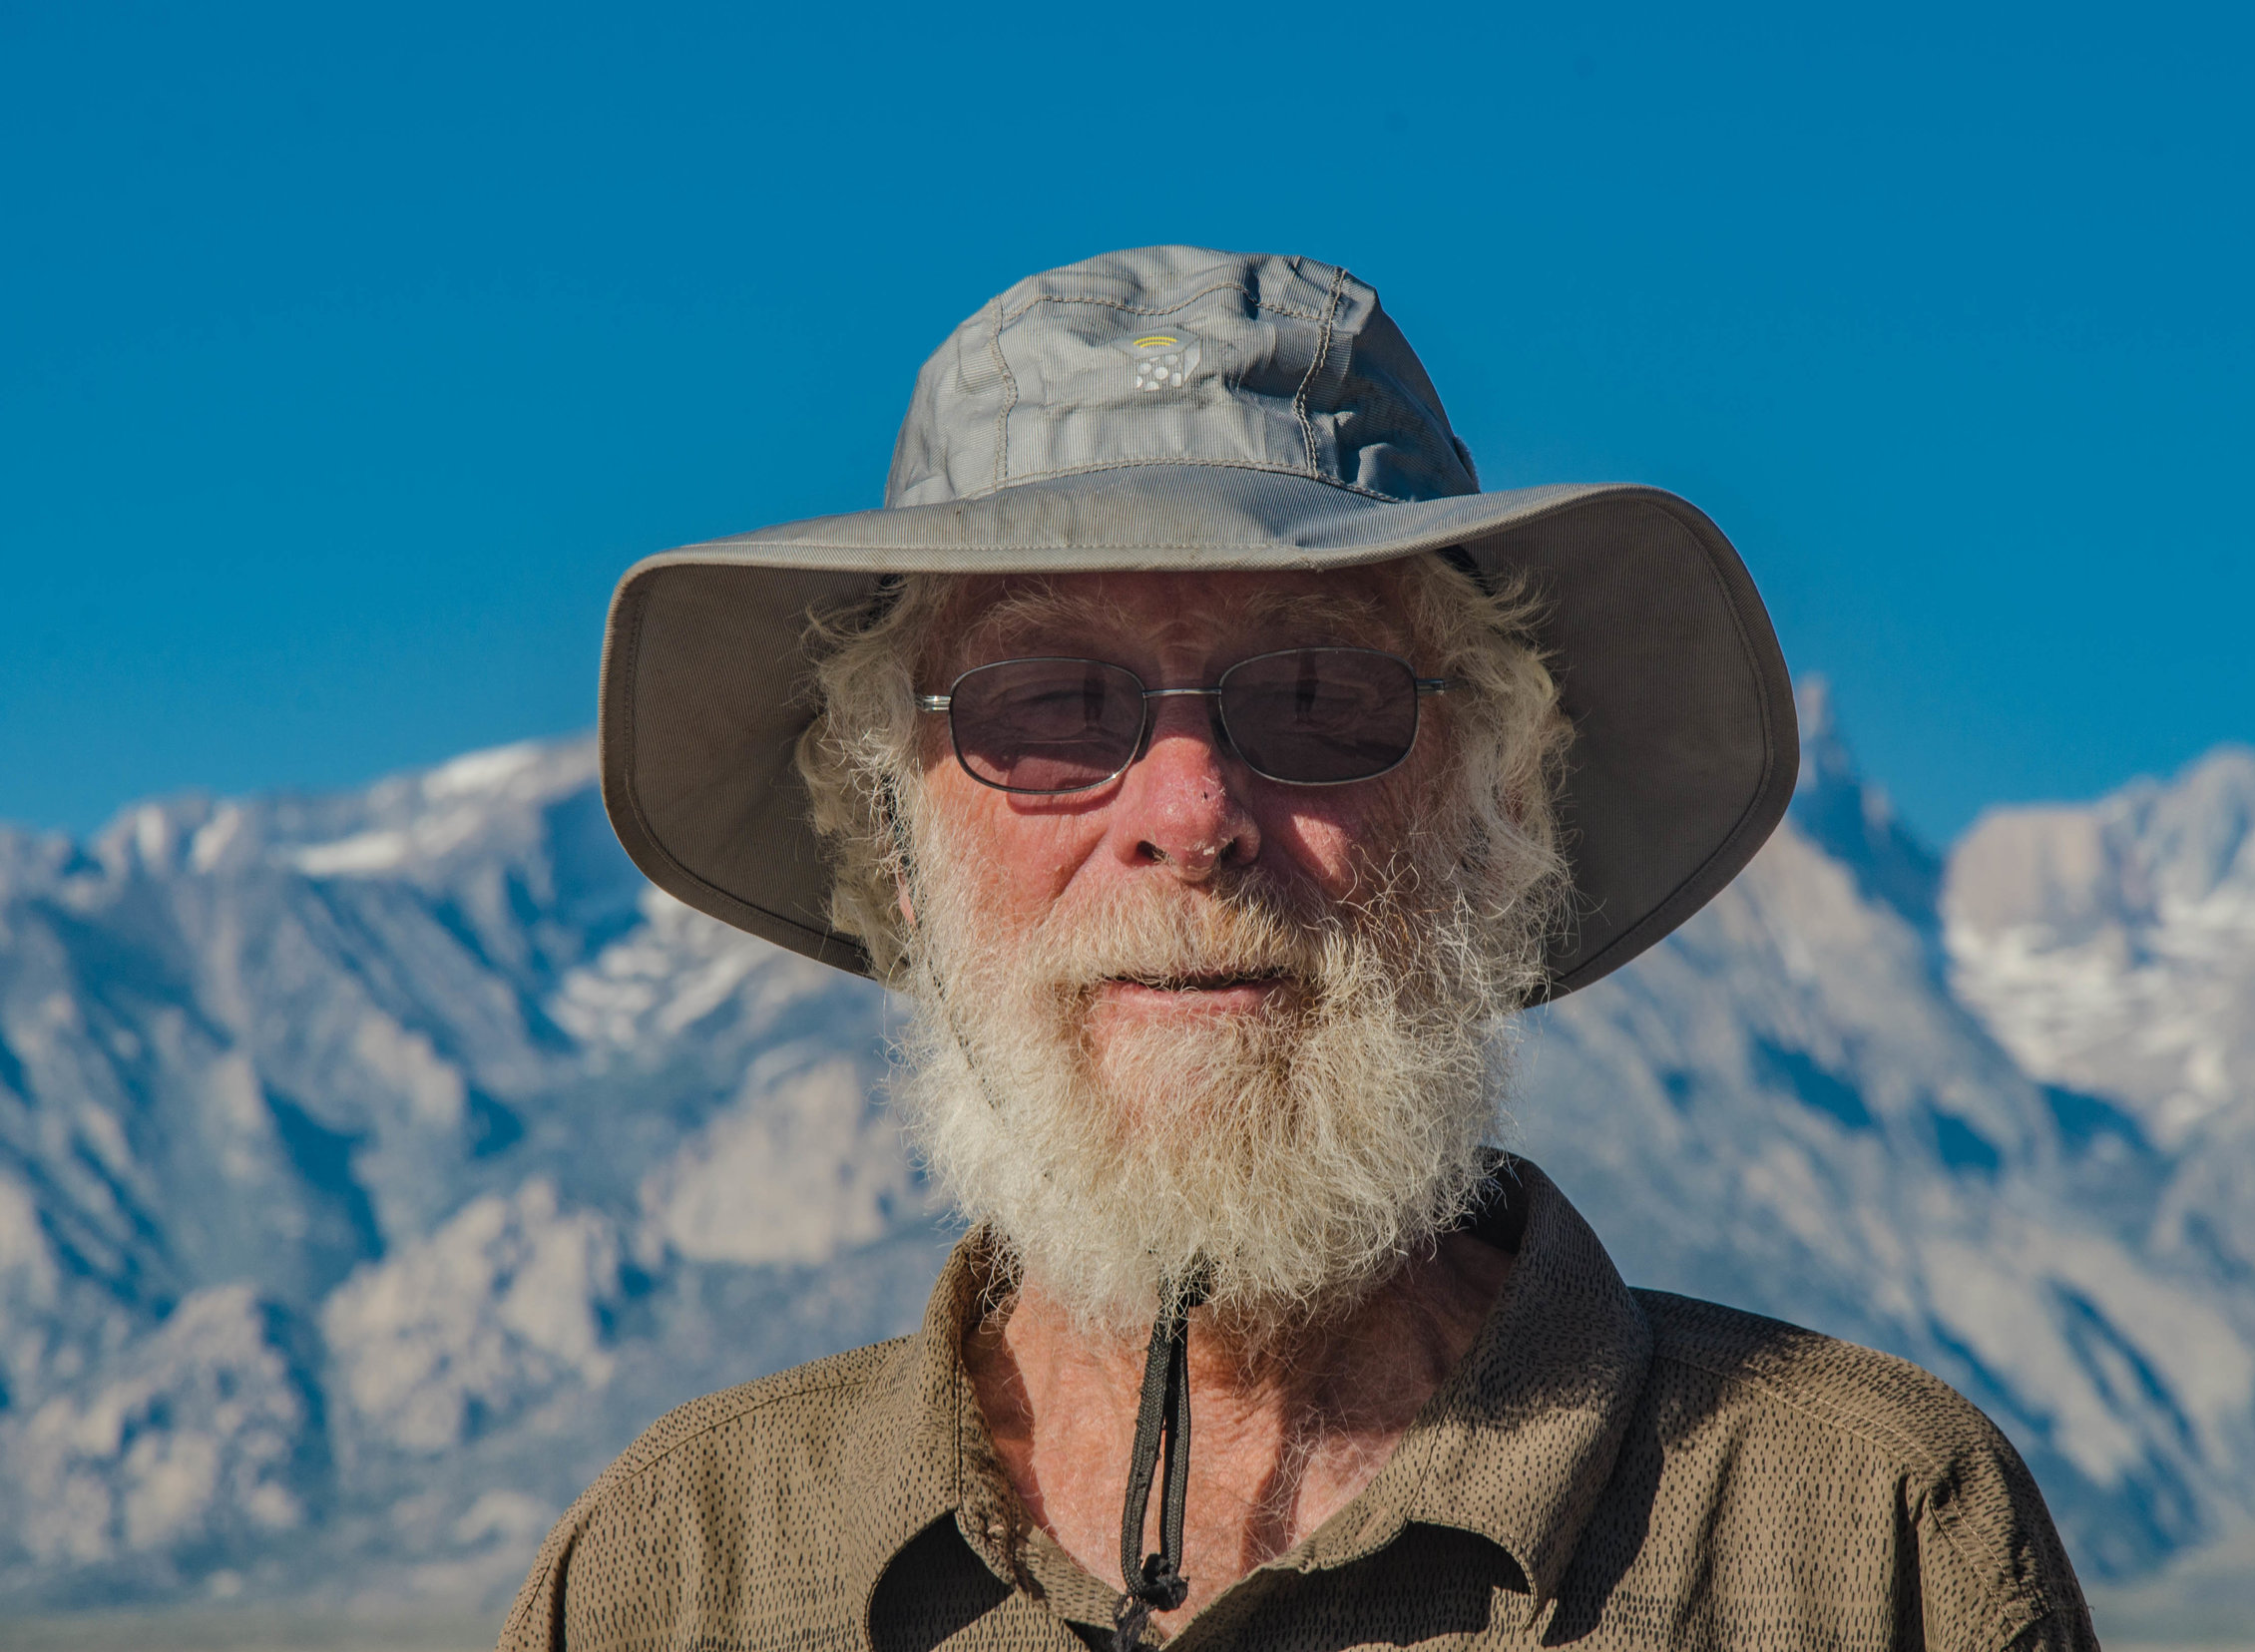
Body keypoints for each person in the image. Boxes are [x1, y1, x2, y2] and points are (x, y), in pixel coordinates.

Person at [500, 247, 2096, 1651]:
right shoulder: (673, 1576)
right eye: (1046, 710)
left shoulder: (1863, 1542)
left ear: (1496, 818)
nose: (1191, 814)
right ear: (894, 851)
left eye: (1322, 701)